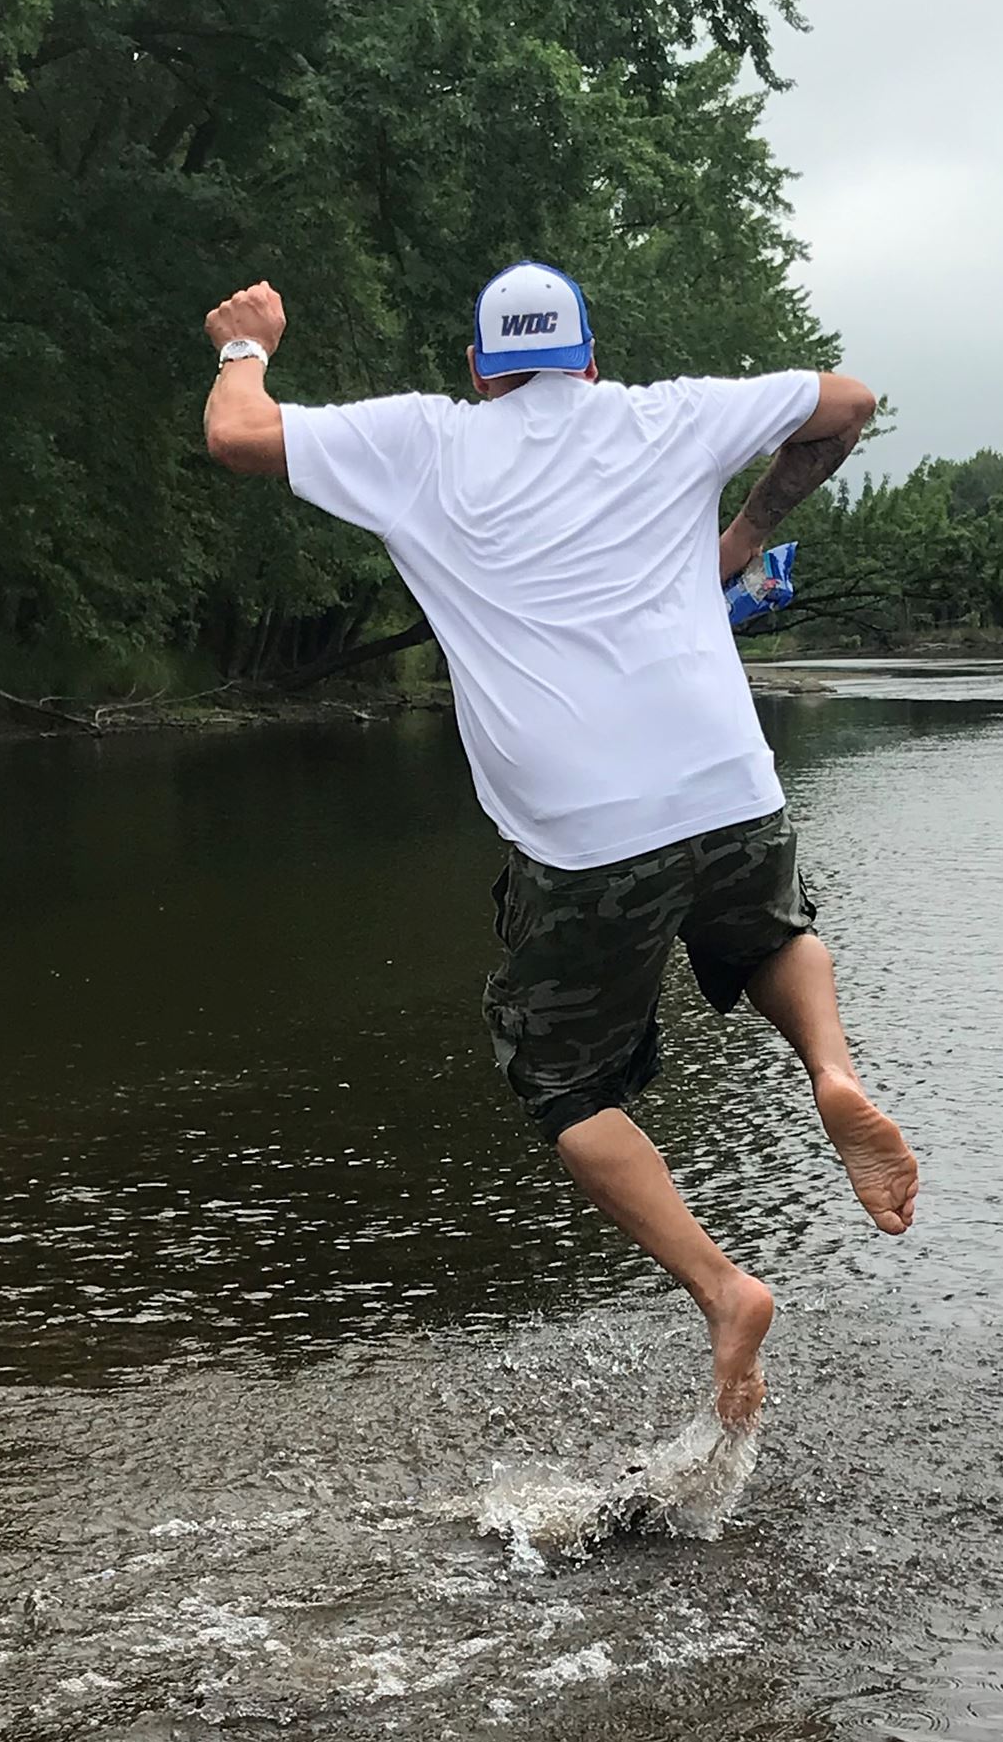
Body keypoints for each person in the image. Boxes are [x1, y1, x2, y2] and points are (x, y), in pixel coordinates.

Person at [203, 261, 918, 1424]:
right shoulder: (666, 415)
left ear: (481, 367)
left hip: (585, 831)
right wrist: (734, 536)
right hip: (726, 782)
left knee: (560, 1079)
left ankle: (725, 1288)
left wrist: (250, 343)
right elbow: (847, 402)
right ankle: (833, 1074)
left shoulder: (426, 442)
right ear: (589, 356)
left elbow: (239, 436)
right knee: (771, 927)